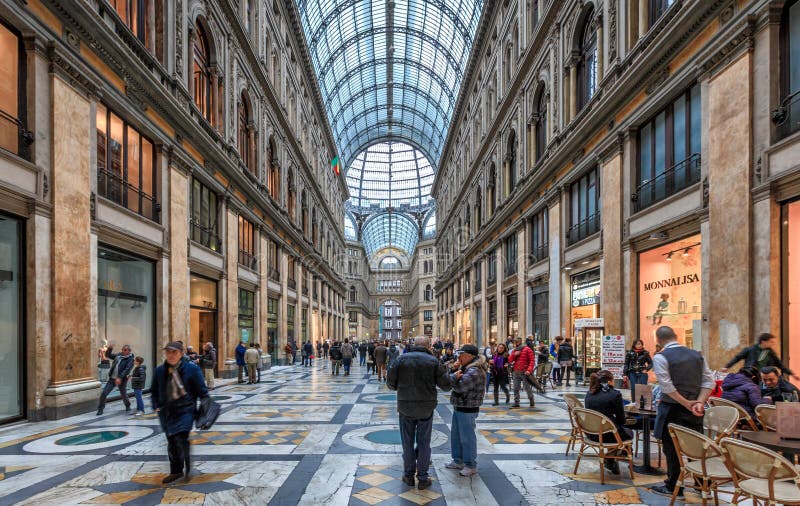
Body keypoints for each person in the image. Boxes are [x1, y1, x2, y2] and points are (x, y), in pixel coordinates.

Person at [648, 326, 714, 499]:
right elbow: (709, 381)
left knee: (671, 448)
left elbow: (666, 386)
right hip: (695, 410)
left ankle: (674, 486)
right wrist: (699, 402)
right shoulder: (697, 355)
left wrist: (685, 403)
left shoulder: (661, 357)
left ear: (658, 339)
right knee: (695, 446)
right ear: (677, 336)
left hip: (671, 409)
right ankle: (702, 484)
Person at [386, 336, 452, 490]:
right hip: (426, 407)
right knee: (424, 442)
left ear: (414, 345)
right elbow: (446, 386)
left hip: (405, 407)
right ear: (428, 346)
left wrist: (401, 387)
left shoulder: (401, 360)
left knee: (407, 442)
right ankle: (422, 477)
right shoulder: (434, 361)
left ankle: (408, 475)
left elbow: (390, 384)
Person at [151, 341, 209, 484]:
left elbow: (202, 391)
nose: (171, 355)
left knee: (181, 438)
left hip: (186, 409)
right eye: (168, 352)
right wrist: (156, 405)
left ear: (181, 354)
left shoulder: (192, 369)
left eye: (174, 352)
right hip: (167, 412)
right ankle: (176, 471)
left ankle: (188, 468)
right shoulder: (160, 371)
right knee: (171, 441)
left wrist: (206, 407)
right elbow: (153, 391)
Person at [445, 344, 486, 477]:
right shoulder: (465, 368)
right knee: (456, 435)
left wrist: (453, 378)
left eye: (461, 355)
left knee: (467, 437)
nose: (459, 357)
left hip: (468, 407)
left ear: (469, 356)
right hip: (460, 406)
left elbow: (459, 388)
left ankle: (470, 464)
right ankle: (458, 460)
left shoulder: (474, 371)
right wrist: (454, 371)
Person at [584, 370, 632, 475]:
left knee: (613, 429)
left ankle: (612, 459)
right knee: (627, 432)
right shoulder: (615, 395)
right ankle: (613, 457)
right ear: (610, 381)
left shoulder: (589, 393)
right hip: (606, 435)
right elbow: (621, 420)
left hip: (590, 433)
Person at [724, 333, 799, 381]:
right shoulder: (750, 350)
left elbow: (780, 365)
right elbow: (737, 358)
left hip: (763, 378)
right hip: (750, 376)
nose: (773, 344)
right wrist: (727, 366)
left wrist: (792, 374)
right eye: (771, 342)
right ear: (763, 341)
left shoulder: (770, 353)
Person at [97, 344, 134, 415]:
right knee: (104, 393)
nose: (123, 351)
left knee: (123, 394)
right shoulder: (119, 356)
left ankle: (128, 405)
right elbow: (108, 355)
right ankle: (100, 409)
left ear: (129, 351)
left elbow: (127, 370)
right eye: (122, 349)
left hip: (122, 380)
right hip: (112, 379)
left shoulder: (130, 359)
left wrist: (120, 378)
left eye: (125, 350)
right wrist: (110, 349)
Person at [508, 336, 535, 408]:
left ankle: (531, 400)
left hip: (525, 372)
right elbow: (510, 360)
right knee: (516, 388)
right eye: (514, 342)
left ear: (520, 341)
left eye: (516, 342)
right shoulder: (515, 350)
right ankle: (516, 403)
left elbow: (532, 361)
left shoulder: (527, 349)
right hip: (516, 371)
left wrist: (529, 370)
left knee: (527, 387)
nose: (515, 343)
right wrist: (514, 354)